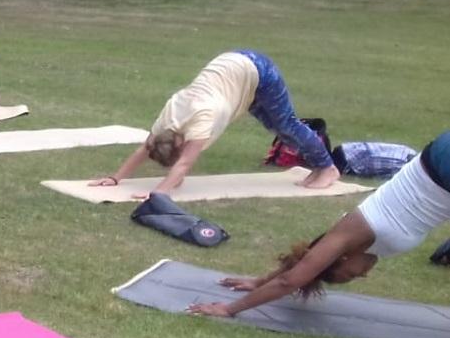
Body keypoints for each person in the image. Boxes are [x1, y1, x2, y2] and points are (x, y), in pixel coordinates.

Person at [187, 131, 450, 318]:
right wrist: (259, 281)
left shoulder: (347, 233)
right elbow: (300, 265)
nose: (363, 274)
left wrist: (228, 308)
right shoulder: (361, 244)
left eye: (350, 274)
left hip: (440, 165)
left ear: (342, 257)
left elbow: (291, 279)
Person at [91, 51, 339, 198]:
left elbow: (186, 162)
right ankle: (318, 167)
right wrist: (115, 179)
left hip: (257, 71)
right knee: (279, 130)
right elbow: (144, 149)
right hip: (236, 75)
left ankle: (328, 168)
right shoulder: (167, 122)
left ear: (180, 144)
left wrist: (159, 192)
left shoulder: (201, 119)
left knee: (287, 125)